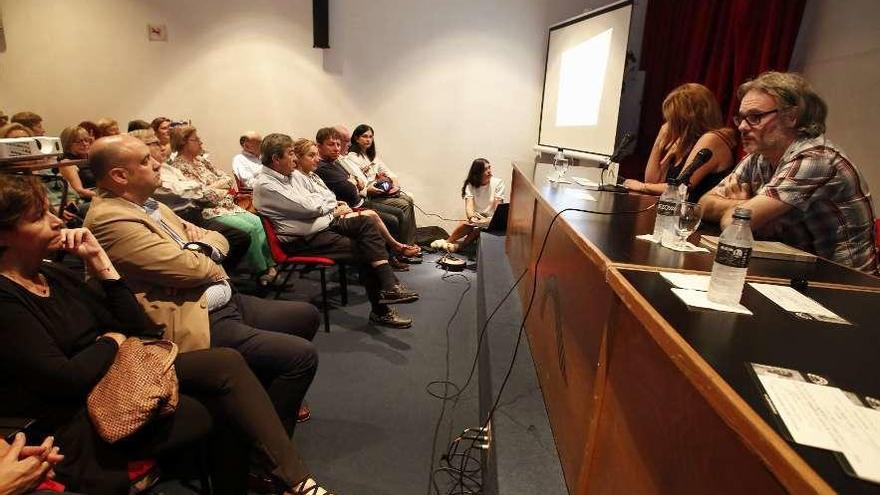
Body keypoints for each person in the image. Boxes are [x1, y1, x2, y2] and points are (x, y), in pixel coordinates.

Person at [0, 174, 332, 494]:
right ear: (4, 236)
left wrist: (101, 263)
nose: (57, 220)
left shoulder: (54, 273)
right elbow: (66, 379)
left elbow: (140, 328)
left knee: (226, 363)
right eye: (37, 217)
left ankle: (292, 480)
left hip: (121, 371)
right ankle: (280, 479)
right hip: (79, 410)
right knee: (223, 409)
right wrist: (110, 341)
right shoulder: (6, 297)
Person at [83, 134, 320, 434]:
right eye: (145, 161)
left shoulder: (148, 204)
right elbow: (190, 267)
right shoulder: (110, 219)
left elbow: (208, 235)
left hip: (215, 297)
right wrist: (205, 257)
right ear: (119, 175)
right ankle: (265, 440)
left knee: (305, 315)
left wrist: (203, 251)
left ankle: (262, 399)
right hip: (188, 312)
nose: (158, 163)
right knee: (299, 356)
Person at [699, 71, 877, 273]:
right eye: (740, 118)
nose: (742, 127)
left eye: (755, 117)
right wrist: (744, 206)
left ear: (791, 117)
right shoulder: (757, 157)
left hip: (843, 286)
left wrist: (744, 212)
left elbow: (731, 222)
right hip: (792, 271)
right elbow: (704, 204)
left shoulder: (816, 159)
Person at [254, 134, 419, 328]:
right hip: (303, 240)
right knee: (367, 249)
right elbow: (310, 207)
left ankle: (390, 286)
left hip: (323, 226)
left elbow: (326, 199)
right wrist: (324, 209)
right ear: (275, 158)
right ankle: (382, 307)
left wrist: (321, 207)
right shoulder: (267, 185)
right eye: (291, 154)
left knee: (367, 223)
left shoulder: (290, 176)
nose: (295, 158)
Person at [129, 129, 251, 273]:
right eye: (156, 144)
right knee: (241, 233)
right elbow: (185, 191)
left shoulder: (169, 167)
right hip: (189, 212)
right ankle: (218, 275)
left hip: (193, 211)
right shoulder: (155, 174)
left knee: (247, 230)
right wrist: (209, 189)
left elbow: (220, 180)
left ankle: (220, 274)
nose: (163, 147)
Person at [168, 125, 277, 283]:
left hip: (226, 205)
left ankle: (270, 265)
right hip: (209, 211)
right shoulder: (178, 167)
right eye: (196, 139)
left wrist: (214, 188)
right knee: (250, 229)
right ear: (183, 142)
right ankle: (260, 271)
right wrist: (217, 188)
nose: (201, 142)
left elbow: (226, 178)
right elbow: (202, 195)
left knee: (258, 222)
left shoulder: (201, 161)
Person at [623, 83, 738, 202]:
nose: (669, 124)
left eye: (673, 119)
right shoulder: (685, 141)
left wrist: (642, 187)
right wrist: (659, 142)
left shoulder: (712, 139)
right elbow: (652, 180)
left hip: (696, 216)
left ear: (687, 119)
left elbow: (681, 187)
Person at [345, 124, 418, 247]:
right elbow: (363, 184)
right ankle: (404, 245)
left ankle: (410, 242)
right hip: (369, 196)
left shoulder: (372, 156)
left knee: (408, 199)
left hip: (380, 192)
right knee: (404, 205)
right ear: (356, 138)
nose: (368, 140)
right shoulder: (351, 158)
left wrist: (393, 186)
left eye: (371, 137)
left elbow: (390, 173)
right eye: (364, 136)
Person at [445, 158, 505, 251]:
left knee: (479, 229)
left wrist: (486, 221)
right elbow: (469, 206)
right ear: (478, 172)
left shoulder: (498, 183)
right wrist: (472, 218)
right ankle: (447, 242)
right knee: (465, 224)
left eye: (489, 168)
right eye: (485, 169)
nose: (489, 171)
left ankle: (461, 246)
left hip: (491, 219)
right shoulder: (470, 185)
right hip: (477, 217)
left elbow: (498, 207)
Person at [59, 126, 97, 202]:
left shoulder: (89, 158)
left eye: (87, 140)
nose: (85, 144)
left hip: (99, 196)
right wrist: (108, 196)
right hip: (86, 201)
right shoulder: (67, 163)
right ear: (68, 144)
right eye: (79, 141)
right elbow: (80, 192)